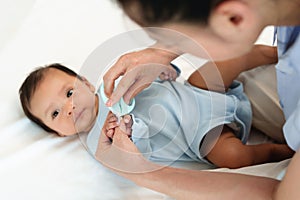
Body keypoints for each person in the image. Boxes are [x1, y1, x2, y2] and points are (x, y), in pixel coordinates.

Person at [98, 0, 300, 199]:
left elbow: (284, 195)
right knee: (232, 154)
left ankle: (282, 151)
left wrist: (145, 173)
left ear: (234, 18)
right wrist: (160, 53)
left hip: (200, 95)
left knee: (231, 62)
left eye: (179, 40)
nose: (176, 49)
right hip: (204, 130)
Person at [18, 45, 291, 170]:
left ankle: (282, 51)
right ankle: (285, 151)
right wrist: (129, 132)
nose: (69, 107)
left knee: (232, 59)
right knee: (234, 158)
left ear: (86, 83)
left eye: (68, 92)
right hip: (199, 137)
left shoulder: (112, 83)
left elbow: (148, 72)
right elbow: (140, 156)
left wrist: (163, 70)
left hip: (196, 90)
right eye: (54, 113)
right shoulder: (99, 142)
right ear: (58, 133)